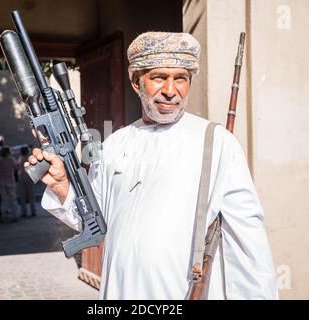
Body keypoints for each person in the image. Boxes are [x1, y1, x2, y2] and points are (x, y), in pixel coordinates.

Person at [27, 32, 278, 299]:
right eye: (159, 78)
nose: (171, 91)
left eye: (180, 78)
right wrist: (64, 187)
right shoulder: (114, 144)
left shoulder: (217, 143)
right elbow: (92, 219)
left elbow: (248, 246)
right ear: (136, 81)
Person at [0, 145, 18, 222]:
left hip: (2, 181)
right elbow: (16, 168)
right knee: (13, 198)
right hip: (11, 181)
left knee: (4, 199)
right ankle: (14, 215)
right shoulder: (11, 160)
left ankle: (3, 216)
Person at [17, 146, 36, 217]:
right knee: (31, 195)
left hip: (21, 176)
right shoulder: (28, 158)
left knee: (22, 195)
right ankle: (33, 210)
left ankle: (24, 212)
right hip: (28, 176)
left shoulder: (20, 158)